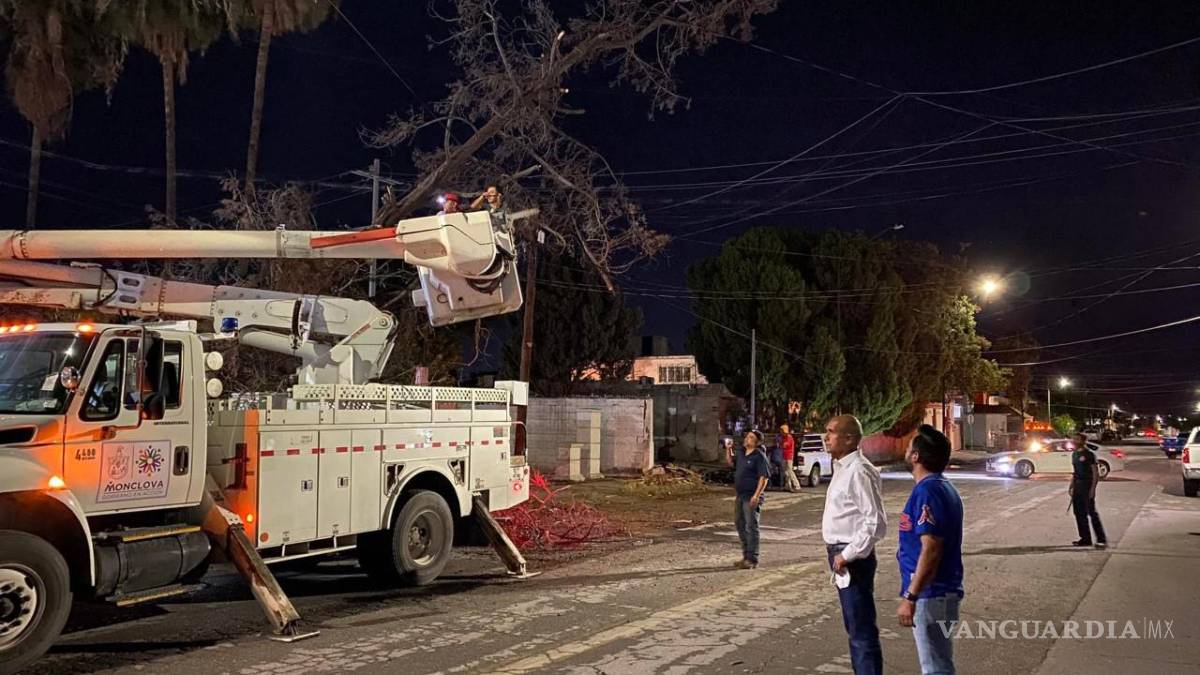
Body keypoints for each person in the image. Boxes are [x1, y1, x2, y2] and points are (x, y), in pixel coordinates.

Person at [896, 425, 964, 675]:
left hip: (932, 594)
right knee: (938, 664)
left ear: (916, 457)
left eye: (909, 446)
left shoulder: (928, 491)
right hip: (938, 593)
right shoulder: (942, 487)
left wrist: (911, 596)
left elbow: (932, 549)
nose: (905, 450)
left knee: (936, 668)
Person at [822, 414, 886, 675]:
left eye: (831, 432)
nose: (825, 437)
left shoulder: (858, 471)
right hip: (842, 555)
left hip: (852, 559)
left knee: (861, 631)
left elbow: (875, 523)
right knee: (855, 628)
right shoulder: (842, 467)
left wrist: (846, 555)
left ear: (849, 438)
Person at [726, 429, 770, 569]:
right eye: (747, 437)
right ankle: (745, 556)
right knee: (739, 524)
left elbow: (764, 478)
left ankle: (752, 559)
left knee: (751, 526)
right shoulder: (742, 454)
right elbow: (730, 463)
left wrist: (756, 495)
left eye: (751, 438)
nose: (747, 439)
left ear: (757, 442)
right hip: (741, 495)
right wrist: (728, 449)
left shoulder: (759, 456)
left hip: (751, 496)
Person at [1069, 432, 1107, 549]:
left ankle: (1101, 539)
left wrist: (1093, 489)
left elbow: (1095, 473)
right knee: (1079, 514)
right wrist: (1071, 486)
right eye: (1073, 439)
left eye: (1077, 439)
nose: (1074, 441)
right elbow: (1075, 472)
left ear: (1083, 441)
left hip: (1087, 486)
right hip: (1078, 486)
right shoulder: (1074, 454)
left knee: (1092, 513)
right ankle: (1085, 538)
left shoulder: (1089, 454)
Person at [778, 423, 801, 492]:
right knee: (786, 472)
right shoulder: (783, 438)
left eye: (782, 431)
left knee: (790, 471)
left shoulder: (789, 437)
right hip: (784, 456)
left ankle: (797, 486)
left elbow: (785, 445)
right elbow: (781, 445)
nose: (781, 432)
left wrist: (781, 444)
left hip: (789, 456)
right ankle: (788, 486)